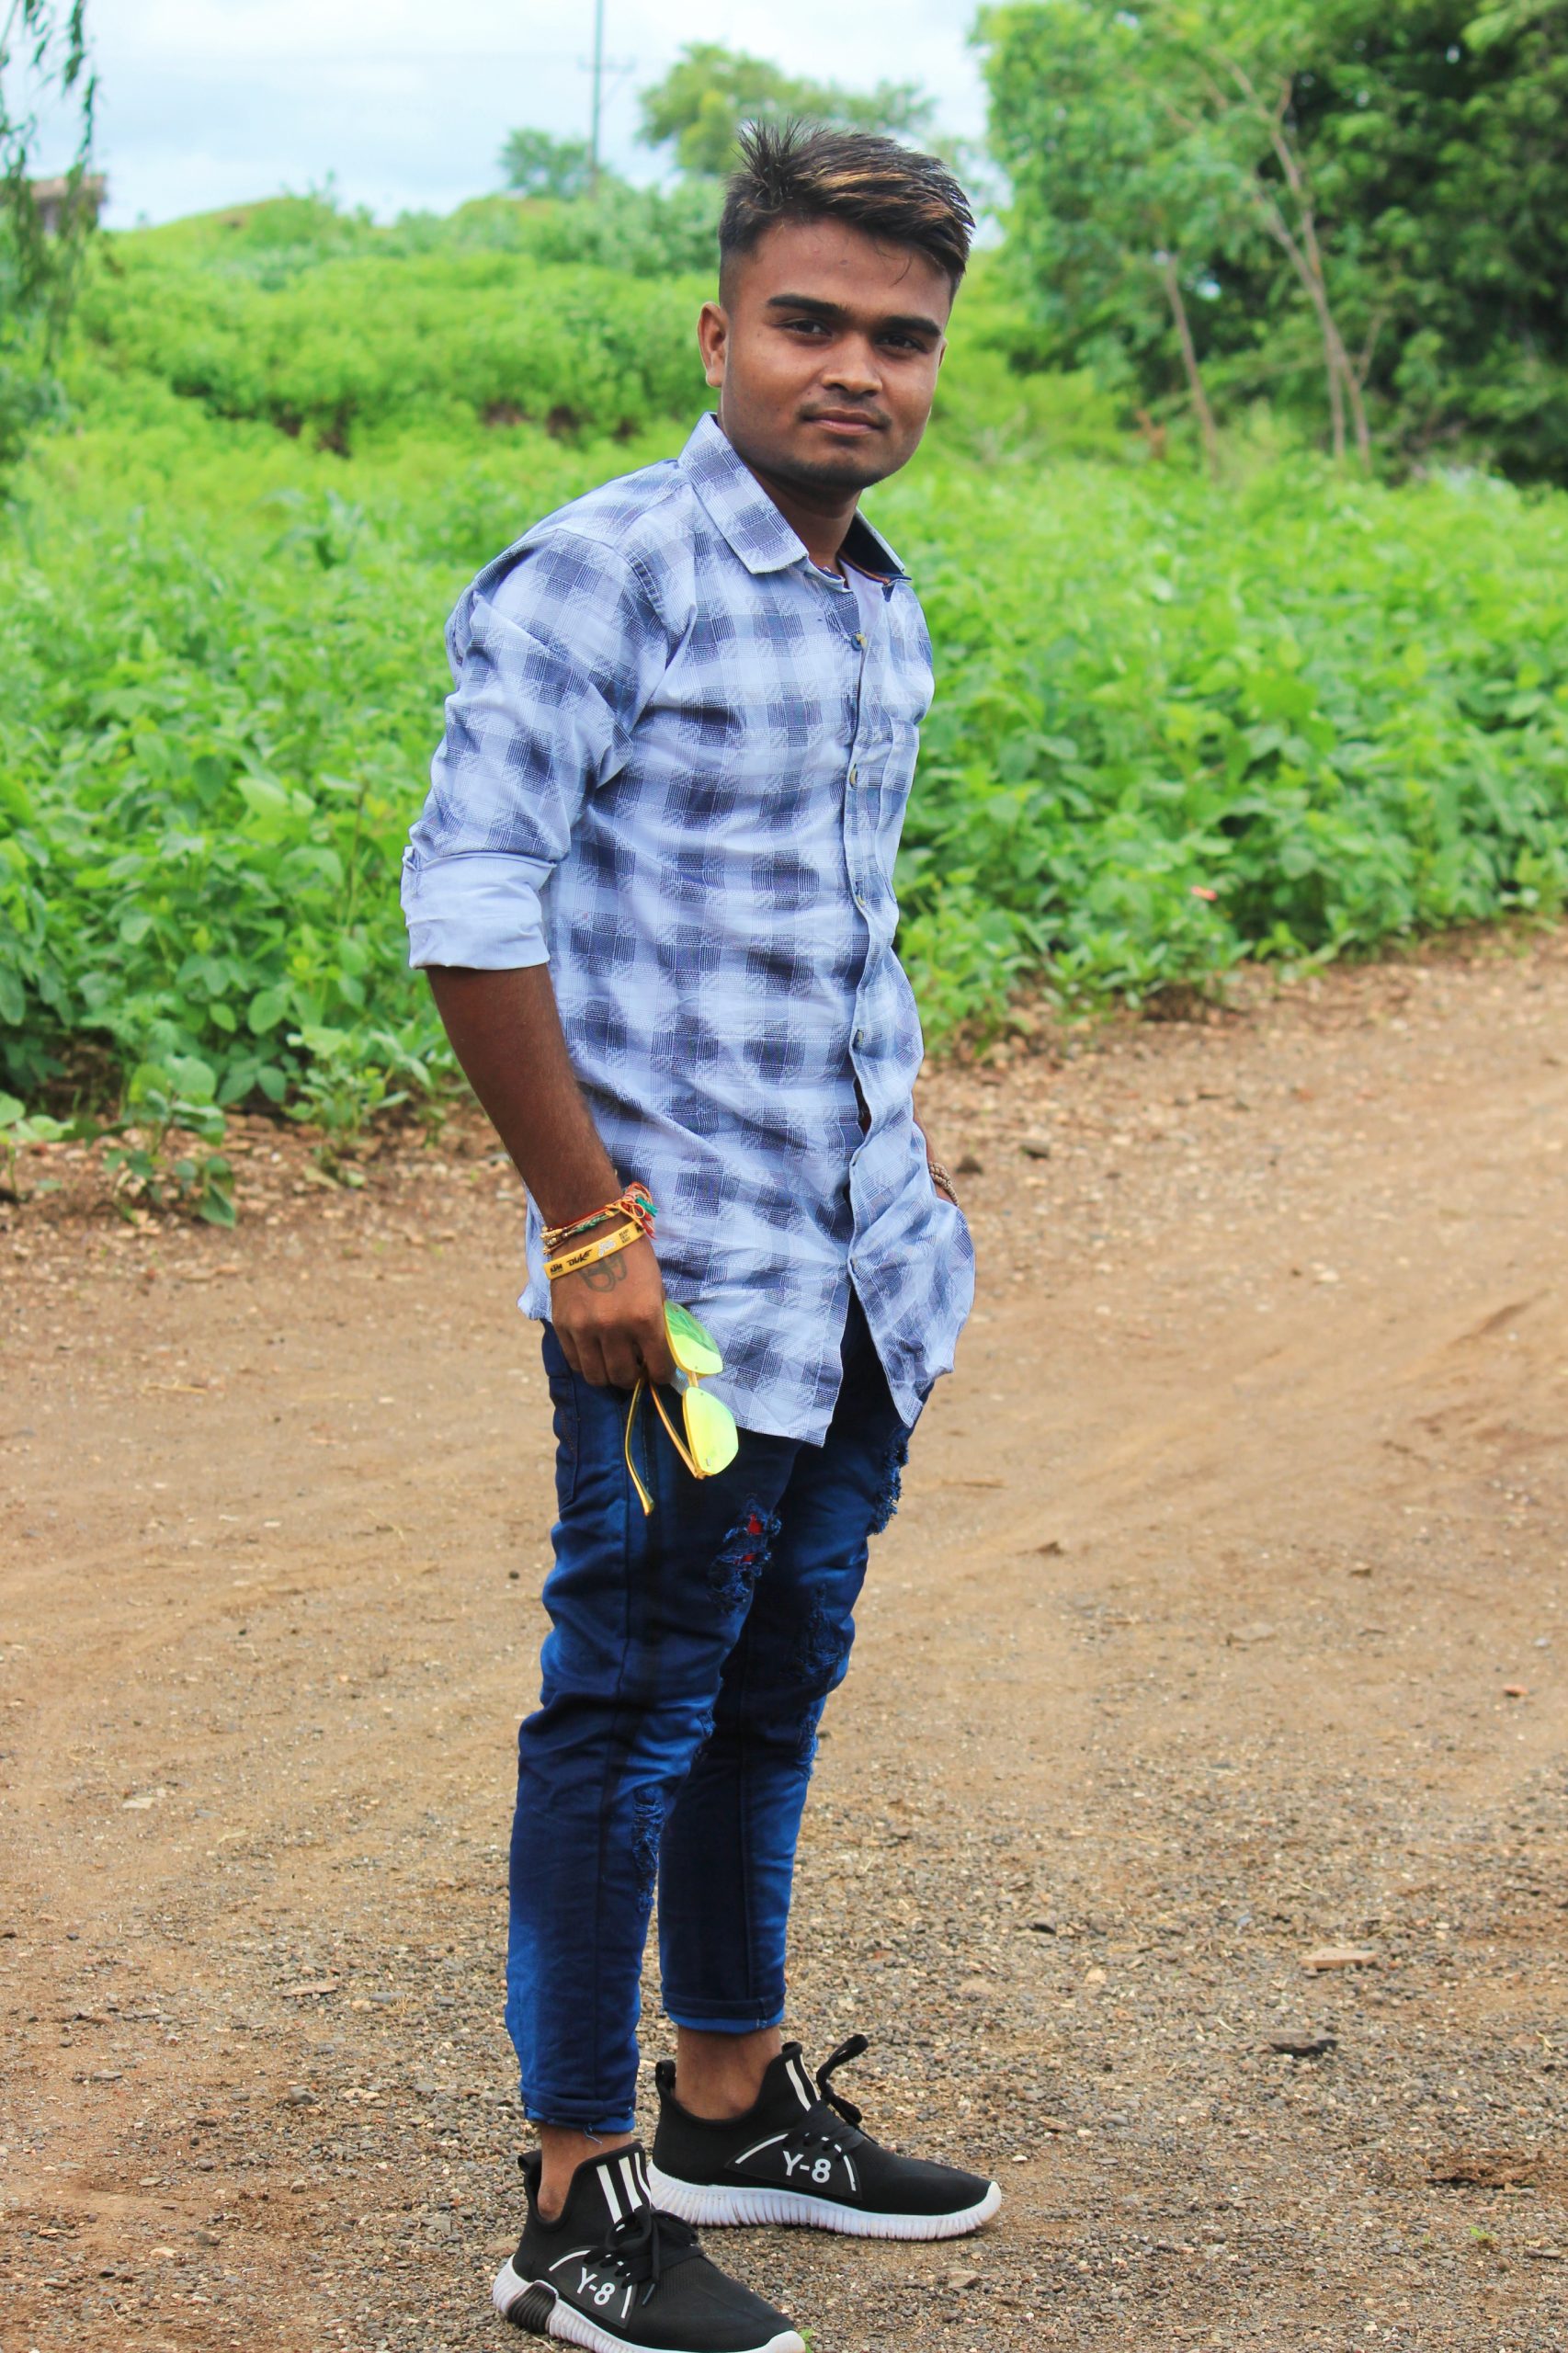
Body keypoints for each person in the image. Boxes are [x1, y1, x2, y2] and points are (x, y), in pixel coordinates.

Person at [401, 119, 997, 2353]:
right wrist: (588, 1232)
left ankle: (735, 2102)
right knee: (628, 1708)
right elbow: (470, 904)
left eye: (900, 338)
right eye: (811, 323)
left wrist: (914, 1178)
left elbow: (827, 935)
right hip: (681, 1293)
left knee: (772, 1688)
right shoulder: (600, 574)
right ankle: (575, 2202)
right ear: (721, 327)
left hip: (855, 1276)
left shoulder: (872, 596)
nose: (855, 369)